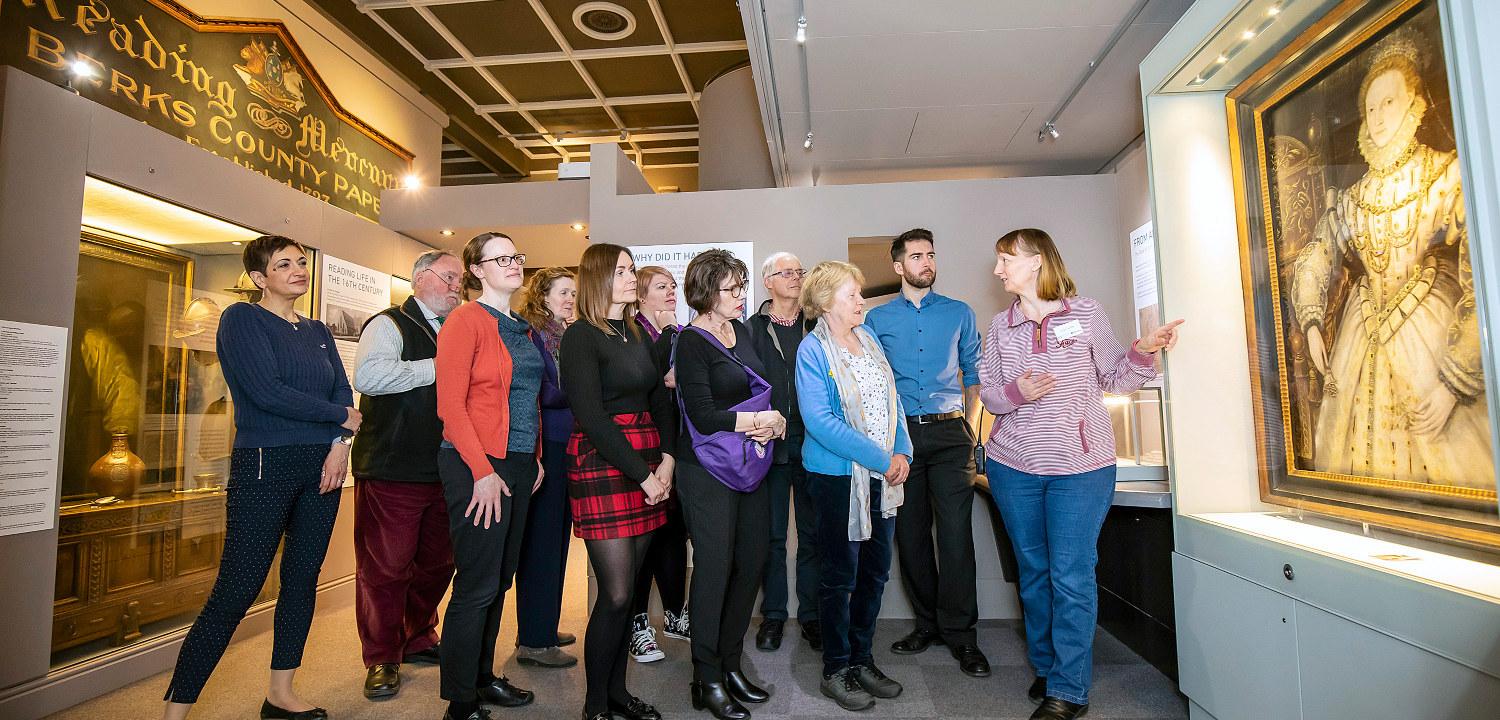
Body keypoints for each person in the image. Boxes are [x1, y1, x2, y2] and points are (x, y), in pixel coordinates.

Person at [981, 228, 1182, 720]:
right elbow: (988, 396)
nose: (998, 270)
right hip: (1014, 466)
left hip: (1080, 469)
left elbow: (1115, 376)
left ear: (1036, 262)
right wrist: (1017, 392)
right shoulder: (999, 326)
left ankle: (1069, 690)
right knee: (1034, 575)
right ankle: (1049, 670)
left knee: (1071, 575)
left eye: (1006, 259)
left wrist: (1143, 349)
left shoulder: (1085, 312)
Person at [161, 235, 359, 720]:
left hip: (323, 470)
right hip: (265, 467)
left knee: (301, 580)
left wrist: (340, 445)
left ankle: (280, 695)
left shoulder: (318, 331)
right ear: (258, 278)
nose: (297, 269)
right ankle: (174, 712)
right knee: (237, 589)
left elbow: (344, 392)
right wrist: (341, 417)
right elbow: (267, 392)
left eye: (300, 262)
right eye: (283, 263)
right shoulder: (242, 319)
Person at [1289, 37, 1486, 486]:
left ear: (1414, 103)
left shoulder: (1444, 175)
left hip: (1429, 332)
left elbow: (1485, 283)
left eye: (1388, 102)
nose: (1377, 117)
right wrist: (1314, 321)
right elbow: (1316, 257)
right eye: (1370, 107)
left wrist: (1454, 380)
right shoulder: (1355, 197)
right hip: (1361, 336)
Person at [862, 228, 989, 677]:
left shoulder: (959, 313)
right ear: (898, 266)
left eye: (931, 254)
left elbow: (973, 370)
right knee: (910, 535)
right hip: (901, 441)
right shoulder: (876, 320)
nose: (926, 262)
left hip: (950, 435)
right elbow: (873, 381)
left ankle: (962, 636)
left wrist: (969, 424)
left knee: (955, 537)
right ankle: (928, 624)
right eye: (916, 256)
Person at [561, 243, 676, 720]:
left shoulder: (634, 332)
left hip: (649, 462)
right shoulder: (580, 337)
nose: (632, 278)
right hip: (606, 464)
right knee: (617, 594)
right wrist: (644, 474)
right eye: (625, 272)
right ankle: (594, 705)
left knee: (631, 595)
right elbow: (590, 416)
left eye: (631, 271)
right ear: (600, 278)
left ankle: (618, 694)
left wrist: (667, 460)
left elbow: (659, 401)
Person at [434, 232, 544, 720]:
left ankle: (481, 678)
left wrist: (534, 456)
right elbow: (450, 407)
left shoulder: (520, 326)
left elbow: (528, 399)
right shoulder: (465, 319)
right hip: (476, 464)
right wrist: (481, 471)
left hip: (517, 463)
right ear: (476, 270)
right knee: (477, 583)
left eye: (516, 256)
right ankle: (460, 702)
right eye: (500, 259)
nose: (513, 264)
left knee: (500, 579)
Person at [795, 261, 912, 713]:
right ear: (826, 303)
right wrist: (884, 458)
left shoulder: (870, 339)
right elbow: (821, 423)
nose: (862, 302)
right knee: (839, 576)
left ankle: (863, 659)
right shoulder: (813, 350)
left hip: (885, 477)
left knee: (875, 572)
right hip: (836, 479)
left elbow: (892, 400)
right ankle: (836, 668)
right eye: (852, 295)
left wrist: (901, 452)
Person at [673, 250, 783, 720]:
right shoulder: (691, 342)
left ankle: (731, 662)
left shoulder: (744, 331)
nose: (741, 296)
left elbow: (764, 387)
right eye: (731, 289)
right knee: (714, 567)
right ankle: (707, 675)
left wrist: (774, 424)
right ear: (704, 292)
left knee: (751, 560)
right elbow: (701, 413)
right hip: (705, 469)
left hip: (749, 464)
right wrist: (757, 419)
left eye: (742, 287)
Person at [350, 250, 463, 700]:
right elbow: (370, 377)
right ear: (421, 279)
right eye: (450, 277)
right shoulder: (387, 324)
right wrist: (440, 367)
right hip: (391, 469)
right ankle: (381, 656)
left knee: (440, 563)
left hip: (445, 468)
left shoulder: (459, 328)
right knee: (386, 568)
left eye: (460, 280)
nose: (458, 285)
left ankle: (416, 635)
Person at [747, 252, 821, 652]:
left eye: (799, 271)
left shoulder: (818, 325)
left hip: (814, 443)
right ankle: (773, 615)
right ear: (768, 282)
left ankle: (812, 617)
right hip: (769, 444)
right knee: (773, 536)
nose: (795, 277)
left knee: (812, 535)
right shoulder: (751, 330)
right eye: (786, 272)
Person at [513, 266, 581, 669]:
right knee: (541, 542)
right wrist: (583, 386)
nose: (570, 299)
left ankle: (542, 626)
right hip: (545, 446)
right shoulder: (532, 336)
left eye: (573, 293)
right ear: (542, 295)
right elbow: (545, 392)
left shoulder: (565, 335)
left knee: (556, 542)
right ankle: (535, 641)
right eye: (562, 292)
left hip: (565, 444)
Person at [629, 266, 692, 663]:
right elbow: (651, 377)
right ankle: (637, 624)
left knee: (672, 534)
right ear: (641, 297)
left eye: (673, 286)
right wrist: (670, 330)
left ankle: (673, 614)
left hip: (677, 448)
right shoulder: (633, 332)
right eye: (661, 287)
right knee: (642, 543)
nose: (670, 292)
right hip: (641, 450)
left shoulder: (681, 333)